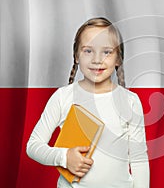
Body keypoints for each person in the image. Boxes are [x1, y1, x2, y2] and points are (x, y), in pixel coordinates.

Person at [27, 17, 150, 188]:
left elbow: (138, 159)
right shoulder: (63, 97)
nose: (97, 59)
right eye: (88, 51)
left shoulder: (130, 101)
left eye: (107, 51)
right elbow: (33, 146)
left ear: (118, 59)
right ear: (76, 56)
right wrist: (64, 157)